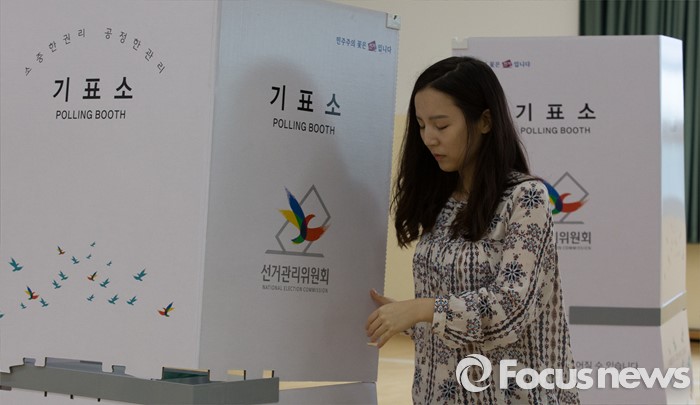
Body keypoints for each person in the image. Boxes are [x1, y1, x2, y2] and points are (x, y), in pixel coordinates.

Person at [365, 56, 580, 404]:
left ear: (485, 121)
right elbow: (450, 315)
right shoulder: (441, 201)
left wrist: (422, 309)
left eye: (441, 125)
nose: (428, 138)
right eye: (420, 125)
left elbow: (510, 309)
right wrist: (406, 317)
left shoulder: (525, 198)